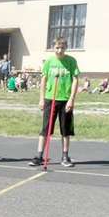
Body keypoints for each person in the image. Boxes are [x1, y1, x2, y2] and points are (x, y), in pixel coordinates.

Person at [28, 37, 79, 168]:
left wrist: (71, 99)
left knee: (65, 130)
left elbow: (75, 80)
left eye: (62, 48)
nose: (59, 50)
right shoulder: (49, 62)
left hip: (65, 99)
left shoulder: (71, 61)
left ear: (66, 48)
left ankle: (65, 156)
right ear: (53, 48)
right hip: (50, 99)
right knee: (45, 129)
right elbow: (43, 80)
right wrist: (41, 98)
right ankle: (39, 156)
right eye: (57, 47)